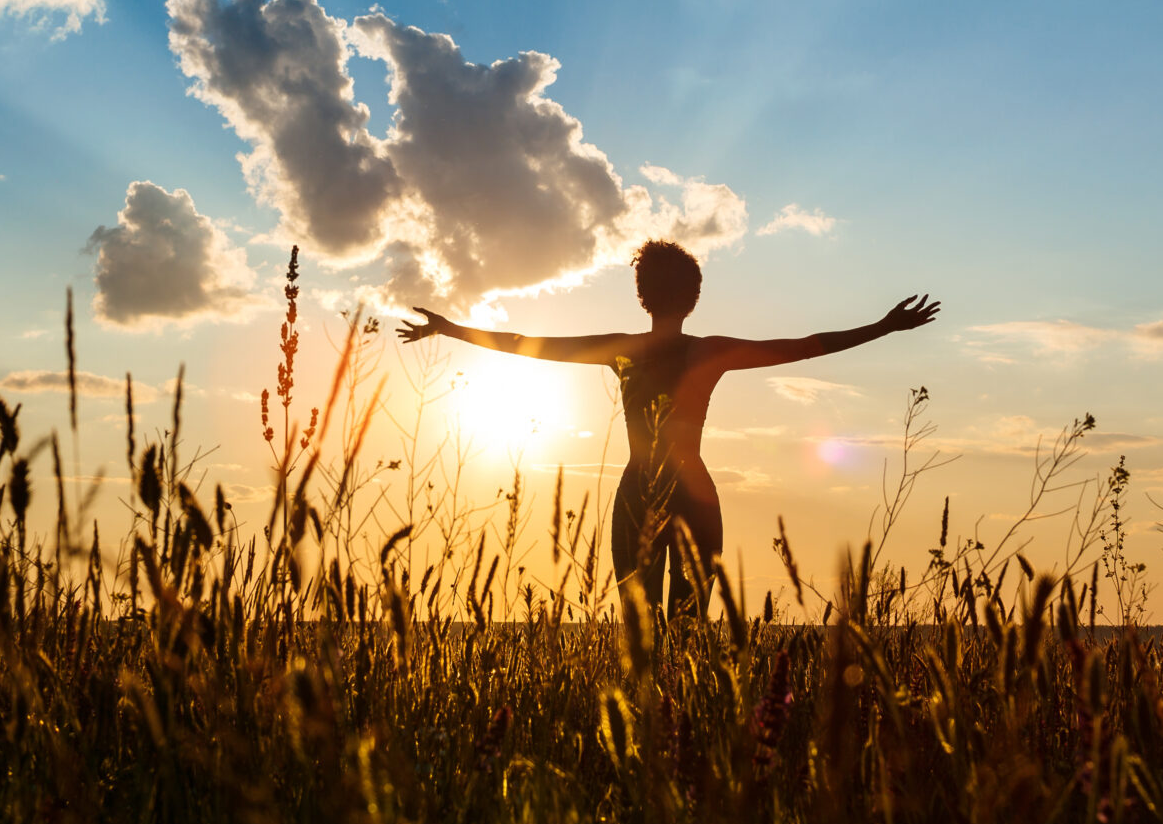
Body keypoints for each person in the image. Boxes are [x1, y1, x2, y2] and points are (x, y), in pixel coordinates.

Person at [401, 241, 940, 614]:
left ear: (642, 295)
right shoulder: (709, 353)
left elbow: (524, 343)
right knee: (687, 627)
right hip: (696, 494)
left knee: (640, 627)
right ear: (694, 297)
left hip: (638, 489)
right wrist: (883, 327)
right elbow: (804, 346)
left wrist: (449, 329)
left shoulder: (622, 351)